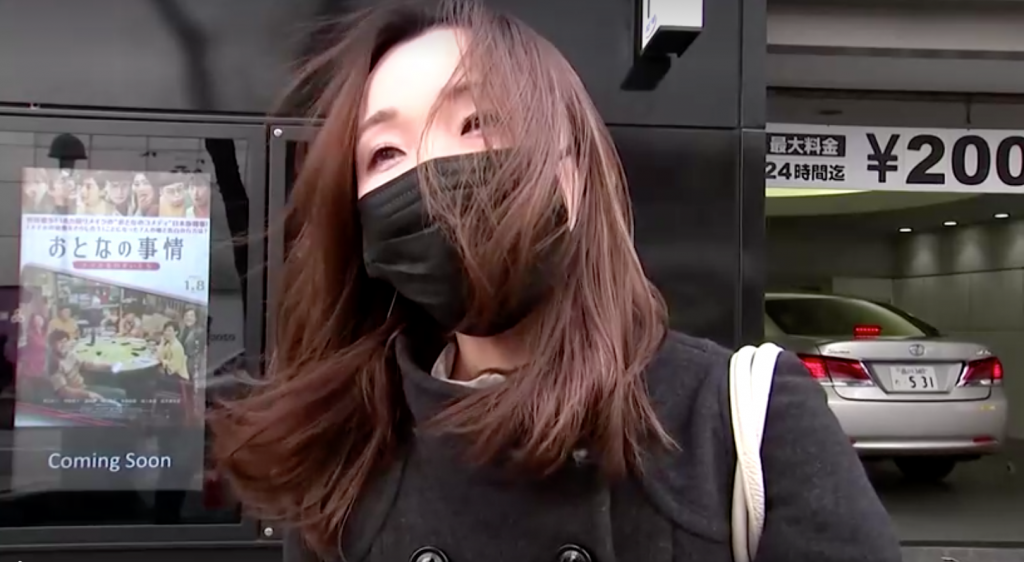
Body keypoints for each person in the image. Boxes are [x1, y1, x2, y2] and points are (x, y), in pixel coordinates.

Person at [210, 2, 903, 562]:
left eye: (478, 122)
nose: (428, 171)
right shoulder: (348, 451)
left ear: (573, 172)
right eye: (384, 152)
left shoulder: (745, 421)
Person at [48, 329, 125, 403]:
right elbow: (63, 391)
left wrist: (109, 366)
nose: (63, 345)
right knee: (118, 397)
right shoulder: (54, 364)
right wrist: (87, 395)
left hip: (84, 388)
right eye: (59, 343)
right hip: (75, 398)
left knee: (121, 393)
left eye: (65, 341)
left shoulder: (69, 354)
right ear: (52, 346)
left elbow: (85, 364)